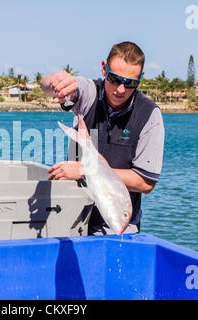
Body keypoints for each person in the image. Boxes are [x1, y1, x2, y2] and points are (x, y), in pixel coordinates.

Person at [40, 41, 165, 235]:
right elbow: (49, 86)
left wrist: (86, 169)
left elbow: (145, 182)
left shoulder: (150, 115)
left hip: (116, 223)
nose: (121, 89)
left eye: (131, 83)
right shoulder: (89, 93)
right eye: (114, 79)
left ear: (141, 77)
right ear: (104, 69)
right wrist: (56, 81)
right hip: (71, 214)